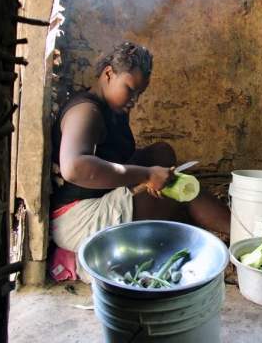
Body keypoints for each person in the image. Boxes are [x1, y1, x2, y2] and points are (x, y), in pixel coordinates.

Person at [48, 41, 230, 282]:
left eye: (140, 93)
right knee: (186, 192)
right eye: (130, 89)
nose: (135, 99)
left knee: (163, 153)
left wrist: (148, 173)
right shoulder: (85, 112)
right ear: (108, 74)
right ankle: (247, 235)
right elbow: (74, 168)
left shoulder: (112, 106)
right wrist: (145, 176)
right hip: (76, 217)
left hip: (96, 196)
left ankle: (173, 222)